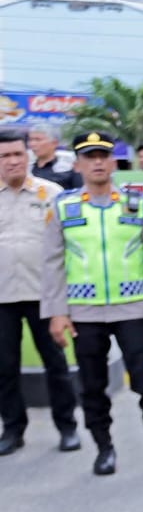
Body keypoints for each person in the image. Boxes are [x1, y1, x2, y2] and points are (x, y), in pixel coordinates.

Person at [43, 131, 143, 477]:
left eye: (103, 155)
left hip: (130, 308)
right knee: (91, 386)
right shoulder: (64, 208)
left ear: (113, 161)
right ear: (78, 164)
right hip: (83, 314)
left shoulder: (133, 205)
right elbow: (52, 264)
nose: (98, 162)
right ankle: (104, 448)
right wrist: (56, 312)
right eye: (90, 156)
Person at [0, 131, 80, 456]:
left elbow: (69, 248)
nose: (13, 161)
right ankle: (13, 429)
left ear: (28, 155)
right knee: (4, 368)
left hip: (44, 296)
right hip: (2, 297)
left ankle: (68, 427)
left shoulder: (53, 194)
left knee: (56, 364)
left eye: (18, 154)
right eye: (5, 156)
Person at [28, 123, 80, 190]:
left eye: (38, 140)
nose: (32, 144)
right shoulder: (27, 168)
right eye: (30, 140)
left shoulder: (68, 167)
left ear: (54, 143)